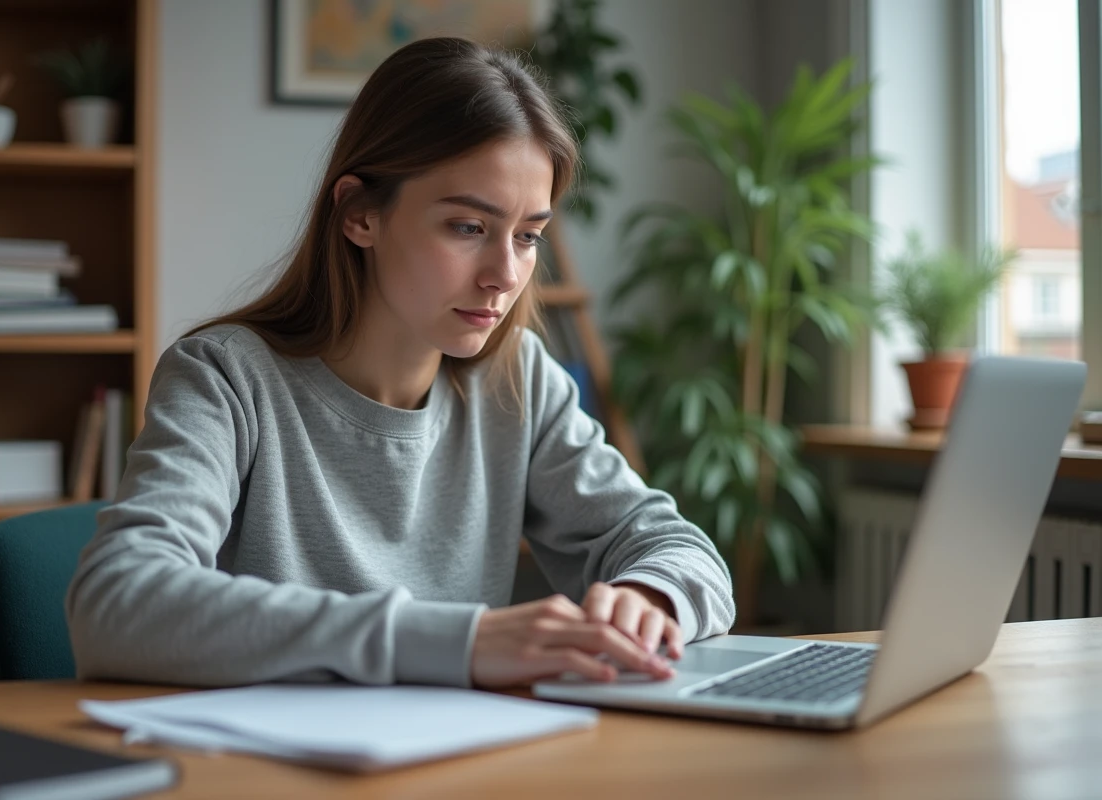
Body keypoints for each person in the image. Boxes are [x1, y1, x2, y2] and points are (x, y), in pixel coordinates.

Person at [65, 36, 734, 690]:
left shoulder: (520, 381)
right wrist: (459, 642)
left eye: (529, 236)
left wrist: (651, 596)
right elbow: (116, 602)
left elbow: (684, 553)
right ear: (360, 214)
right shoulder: (225, 378)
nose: (506, 274)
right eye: (468, 228)